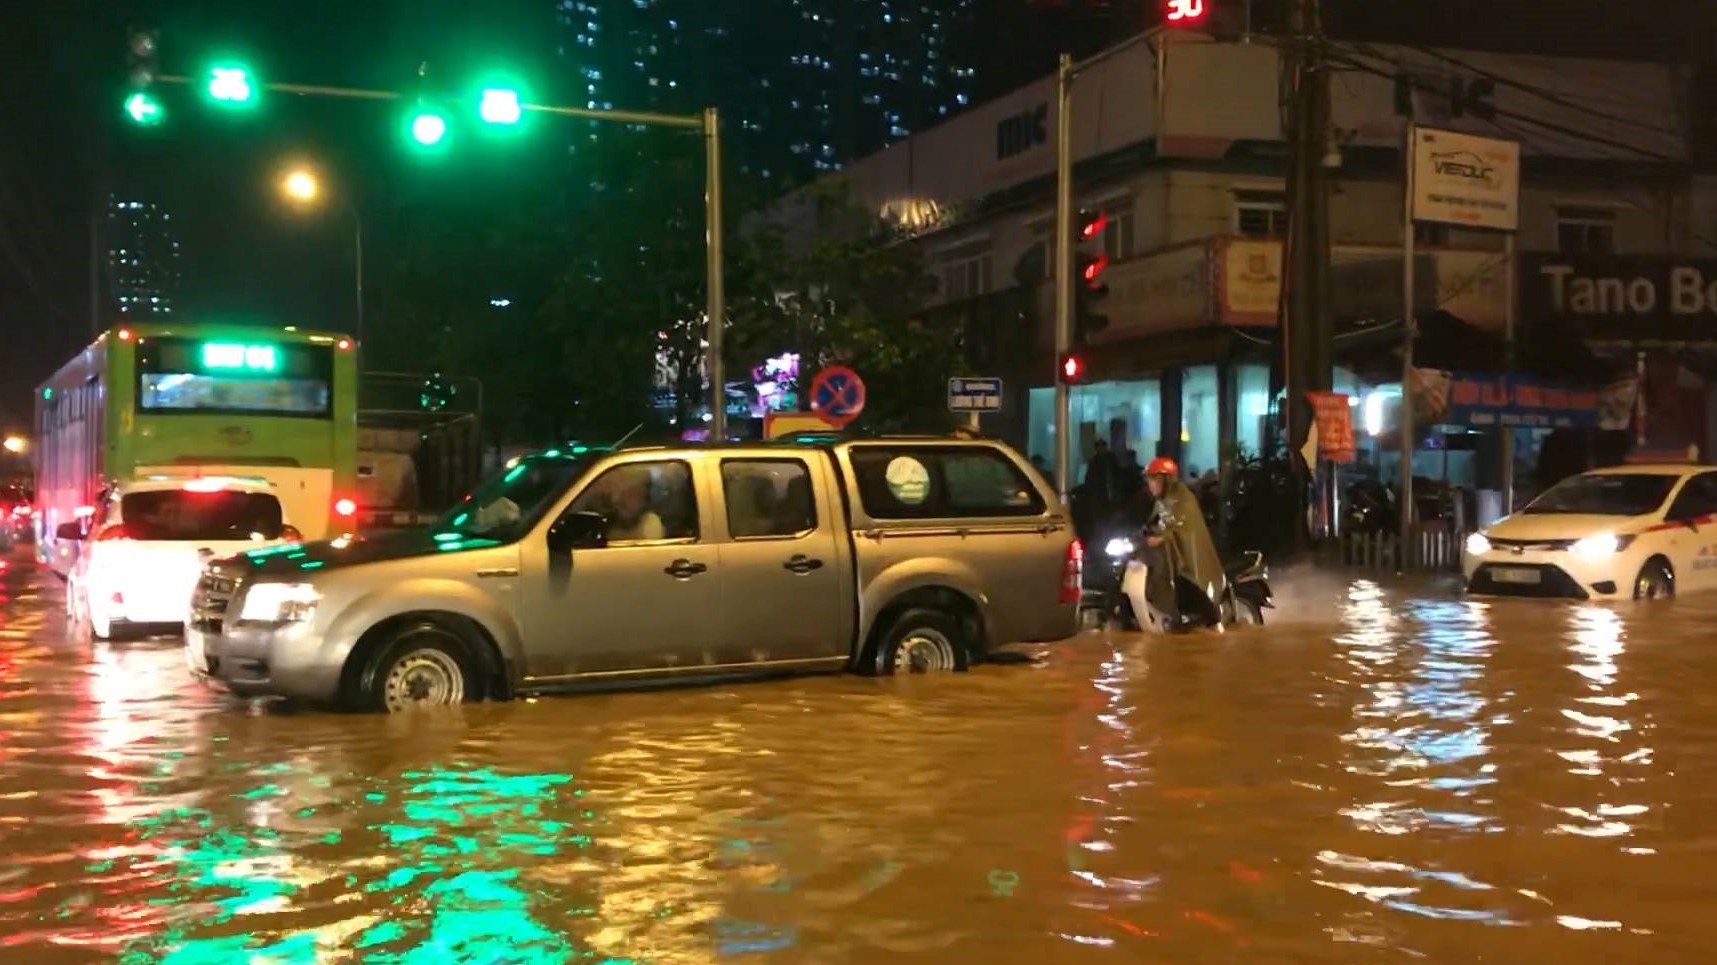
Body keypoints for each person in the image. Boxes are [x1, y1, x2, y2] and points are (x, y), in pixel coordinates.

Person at [1140, 456, 1227, 630]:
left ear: (1166, 480)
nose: (1150, 484)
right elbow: (1154, 522)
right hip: (1170, 555)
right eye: (1149, 479)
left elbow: (1184, 529)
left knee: (1189, 584)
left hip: (1188, 558)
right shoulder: (1162, 501)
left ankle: (1214, 624)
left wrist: (1163, 538)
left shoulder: (1184, 499)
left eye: (1154, 479)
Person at [605, 470, 666, 542]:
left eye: (632, 494)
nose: (624, 498)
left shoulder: (651, 522)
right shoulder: (614, 520)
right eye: (624, 493)